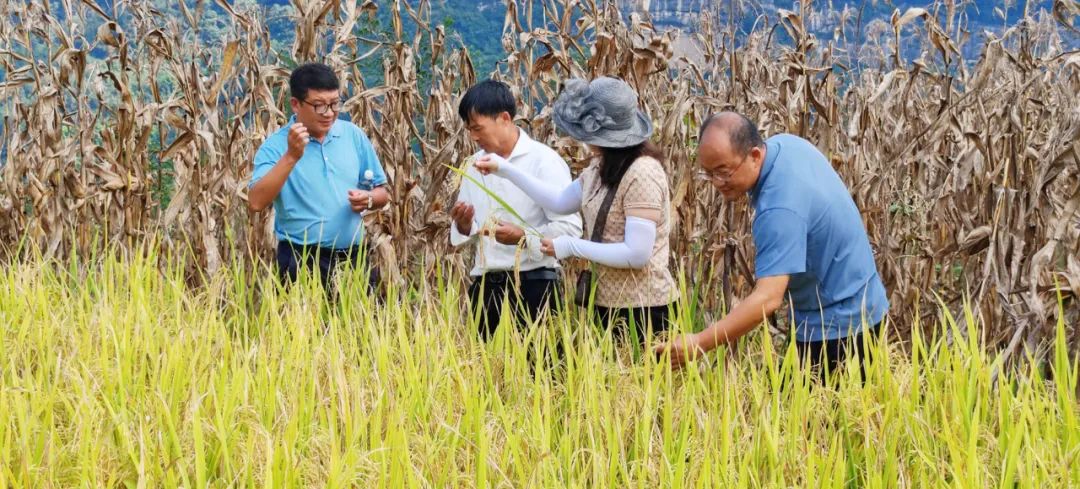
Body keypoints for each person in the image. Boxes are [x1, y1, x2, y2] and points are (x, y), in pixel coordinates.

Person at [655, 112, 889, 378]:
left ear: (754, 155)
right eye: (708, 174)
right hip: (861, 300)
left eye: (723, 172)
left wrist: (700, 343)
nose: (717, 183)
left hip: (841, 326)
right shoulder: (786, 146)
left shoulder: (778, 210)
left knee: (805, 416)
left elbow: (768, 299)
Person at [474, 77, 677, 342]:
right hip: (606, 302)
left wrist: (571, 246)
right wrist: (505, 169)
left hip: (646, 307)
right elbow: (559, 201)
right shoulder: (598, 169)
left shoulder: (643, 173)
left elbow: (637, 254)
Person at [450, 80, 583, 340]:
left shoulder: (544, 161)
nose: (474, 137)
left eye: (478, 128)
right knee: (485, 375)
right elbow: (468, 231)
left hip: (535, 286)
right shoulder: (473, 165)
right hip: (486, 287)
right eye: (469, 130)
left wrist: (523, 237)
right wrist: (463, 225)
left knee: (541, 373)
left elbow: (571, 229)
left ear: (505, 118)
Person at [248, 63, 390, 297]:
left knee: (365, 329)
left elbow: (381, 193)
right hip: (301, 260)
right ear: (296, 104)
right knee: (306, 332)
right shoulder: (275, 147)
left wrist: (368, 199)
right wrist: (292, 156)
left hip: (354, 258)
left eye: (335, 104)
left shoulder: (353, 135)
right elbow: (256, 202)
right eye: (319, 106)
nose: (329, 113)